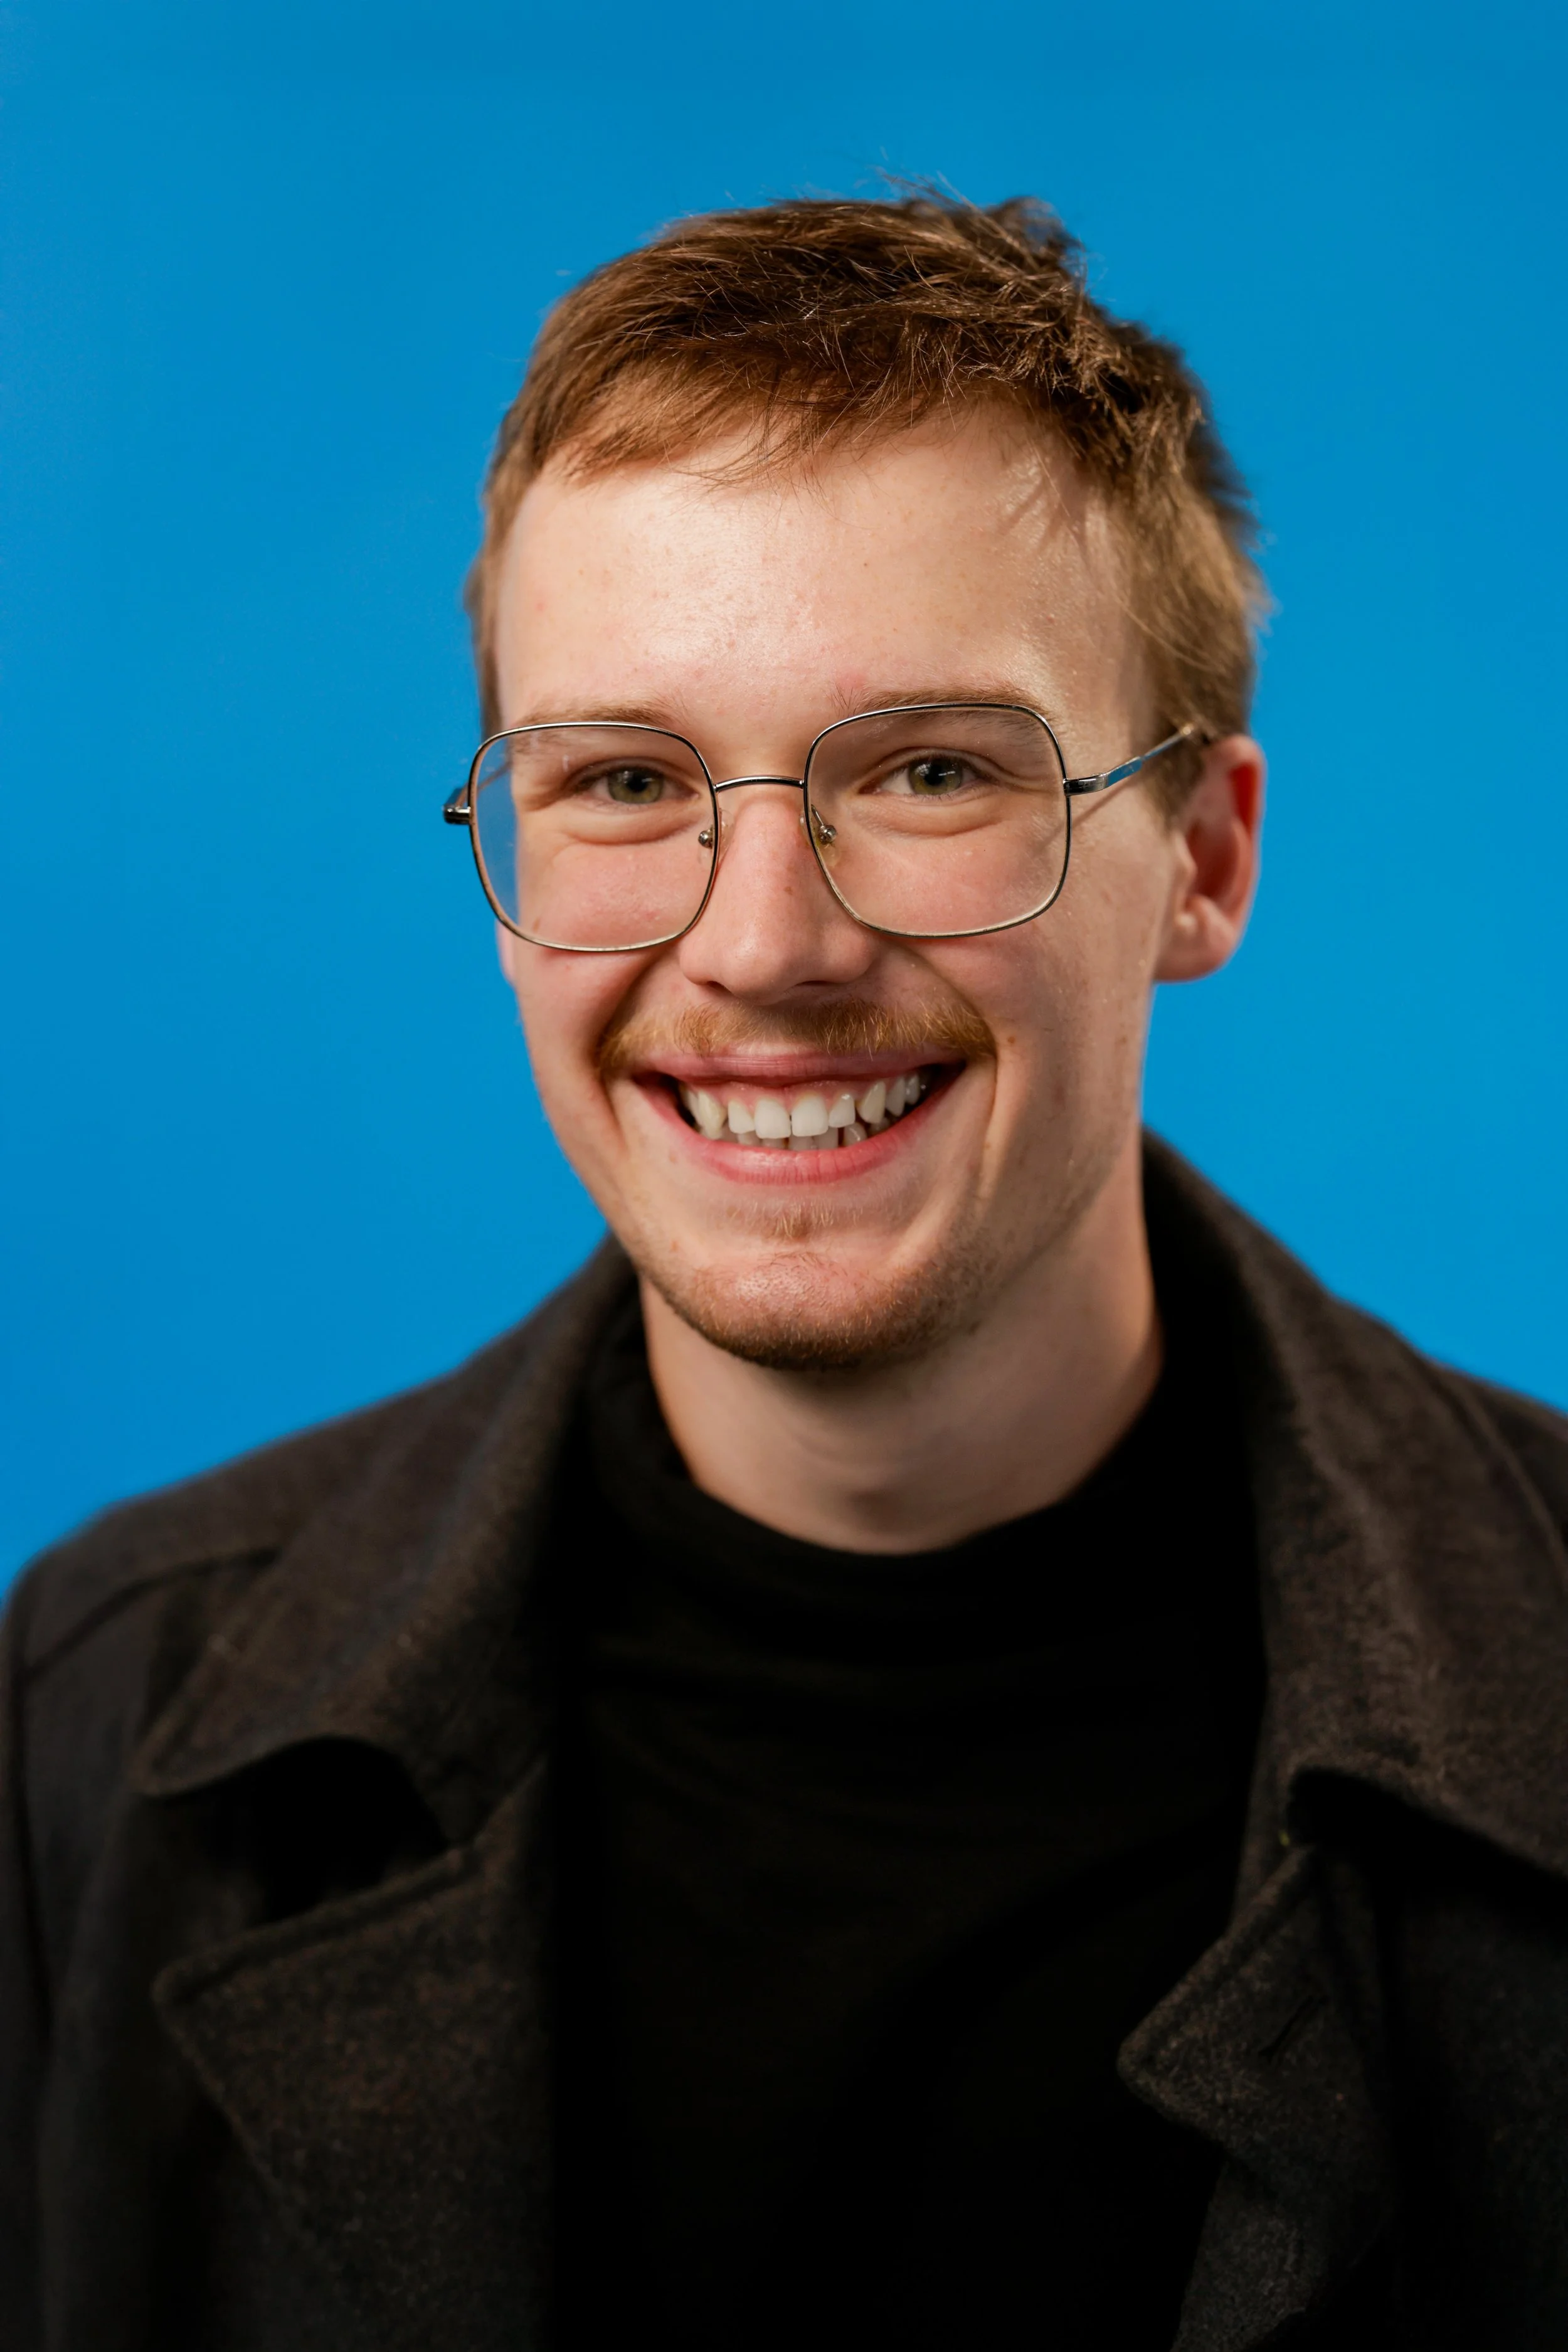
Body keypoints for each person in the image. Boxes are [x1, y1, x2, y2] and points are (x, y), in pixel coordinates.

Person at [4, 194, 1567, 2352]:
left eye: (929, 770)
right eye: (627, 779)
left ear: (1199, 856)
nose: (761, 945)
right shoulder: (88, 1732)